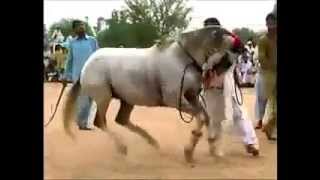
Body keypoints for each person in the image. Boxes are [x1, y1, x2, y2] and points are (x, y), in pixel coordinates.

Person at [202, 17, 259, 155]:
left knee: (239, 113)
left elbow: (240, 48)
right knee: (214, 117)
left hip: (228, 84)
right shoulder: (202, 46)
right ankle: (215, 146)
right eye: (207, 30)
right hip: (210, 87)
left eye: (213, 29)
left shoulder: (230, 42)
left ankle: (250, 142)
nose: (211, 32)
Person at [63, 20, 99, 130]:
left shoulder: (92, 41)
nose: (82, 27)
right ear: (74, 29)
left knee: (90, 99)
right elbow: (70, 60)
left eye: (83, 25)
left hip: (92, 74)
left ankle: (81, 120)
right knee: (81, 99)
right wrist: (66, 75)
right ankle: (82, 122)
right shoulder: (72, 43)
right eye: (79, 26)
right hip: (77, 75)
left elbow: (98, 56)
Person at [254, 13, 277, 141]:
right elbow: (262, 59)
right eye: (269, 23)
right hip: (269, 75)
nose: (271, 26)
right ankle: (268, 125)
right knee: (273, 103)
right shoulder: (263, 40)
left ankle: (269, 126)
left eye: (273, 23)